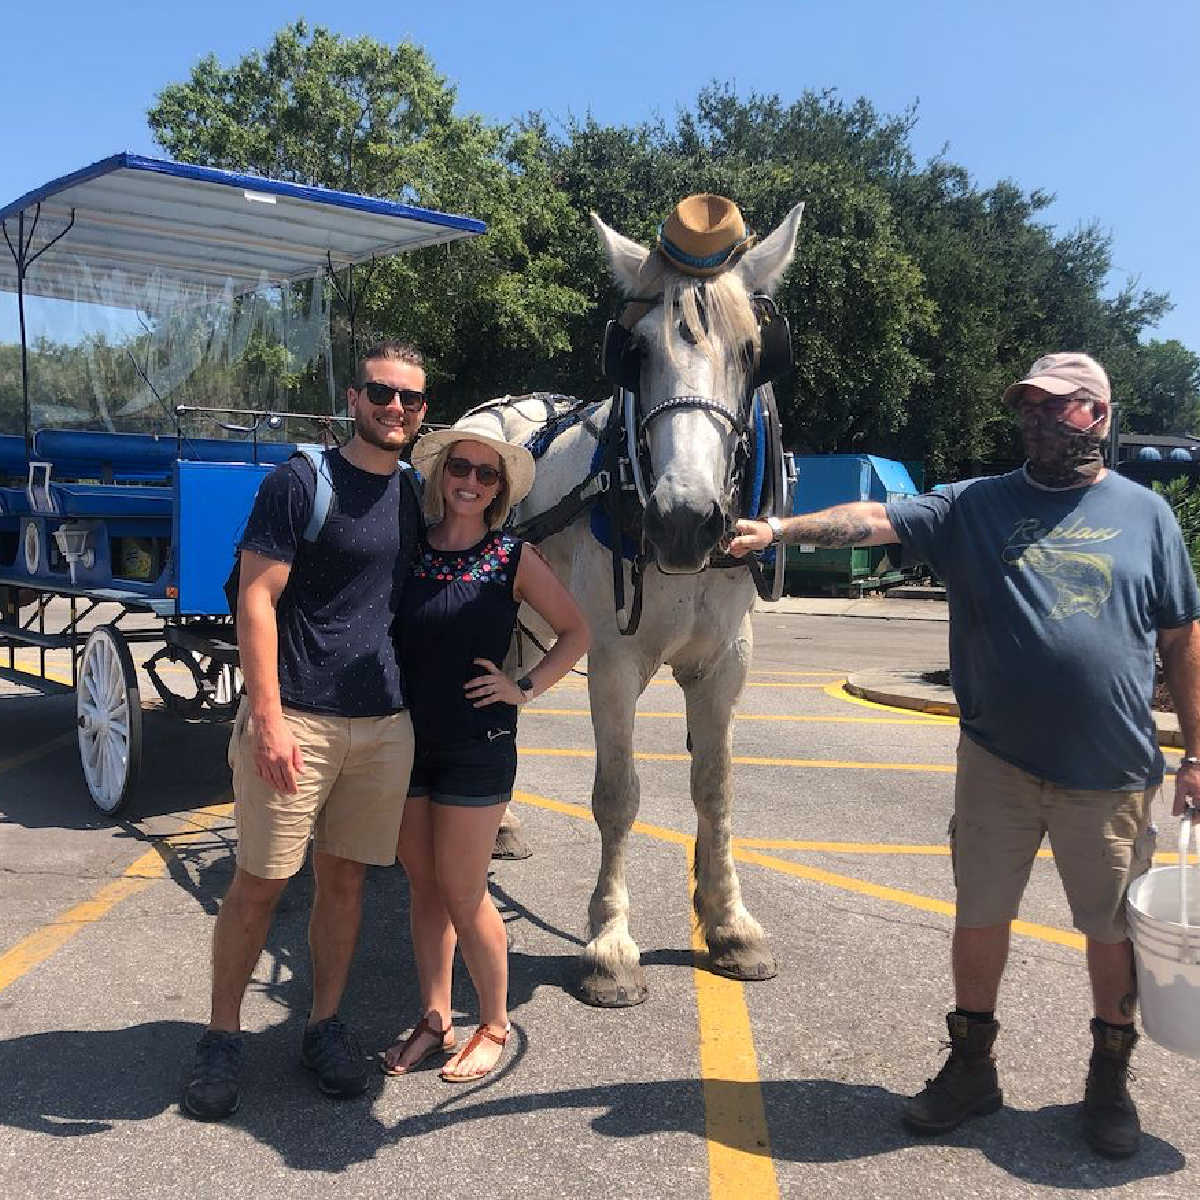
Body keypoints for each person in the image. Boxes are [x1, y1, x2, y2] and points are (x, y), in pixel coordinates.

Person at [729, 352, 1200, 1159]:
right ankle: (973, 1066)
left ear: (1097, 414)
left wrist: (1196, 752)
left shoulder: (1146, 514)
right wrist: (778, 529)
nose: (1037, 418)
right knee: (980, 917)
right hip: (998, 764)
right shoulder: (974, 505)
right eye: (1028, 405)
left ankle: (1109, 1079)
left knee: (1111, 930)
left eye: (1056, 406)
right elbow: (877, 521)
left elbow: (1182, 636)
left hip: (1111, 770)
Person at [183, 341, 428, 1120]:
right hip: (300, 720)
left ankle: (323, 1025)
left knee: (347, 881)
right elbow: (256, 598)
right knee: (260, 882)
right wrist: (268, 717)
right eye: (383, 394)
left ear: (424, 412)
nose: (396, 409)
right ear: (355, 398)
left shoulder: (419, 494)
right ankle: (221, 1035)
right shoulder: (301, 482)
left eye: (412, 399)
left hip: (383, 726)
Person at [381, 413, 589, 1083]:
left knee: (466, 890)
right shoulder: (409, 550)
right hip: (408, 742)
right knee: (424, 887)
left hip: (478, 745)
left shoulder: (512, 557)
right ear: (441, 477)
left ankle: (494, 1023)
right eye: (460, 468)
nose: (469, 481)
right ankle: (436, 1018)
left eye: (485, 473)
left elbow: (576, 632)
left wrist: (521, 687)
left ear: (499, 489)